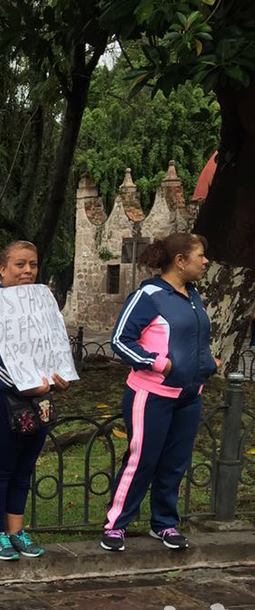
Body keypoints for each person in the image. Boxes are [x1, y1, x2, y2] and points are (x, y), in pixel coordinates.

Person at [102, 233, 219, 552]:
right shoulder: (149, 295)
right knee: (142, 460)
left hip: (189, 395)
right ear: (180, 261)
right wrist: (157, 363)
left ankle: (164, 523)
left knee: (175, 463)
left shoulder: (193, 295)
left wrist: (209, 362)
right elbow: (121, 340)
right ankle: (116, 525)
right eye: (200, 255)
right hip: (151, 395)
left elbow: (194, 338)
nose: (205, 261)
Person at [0, 241, 71, 562]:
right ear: (2, 269)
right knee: (2, 467)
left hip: (39, 400)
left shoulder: (41, 304)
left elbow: (53, 345)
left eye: (33, 265)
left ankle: (16, 531)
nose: (28, 271)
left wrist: (60, 375)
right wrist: (24, 386)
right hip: (1, 401)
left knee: (24, 468)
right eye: (20, 264)